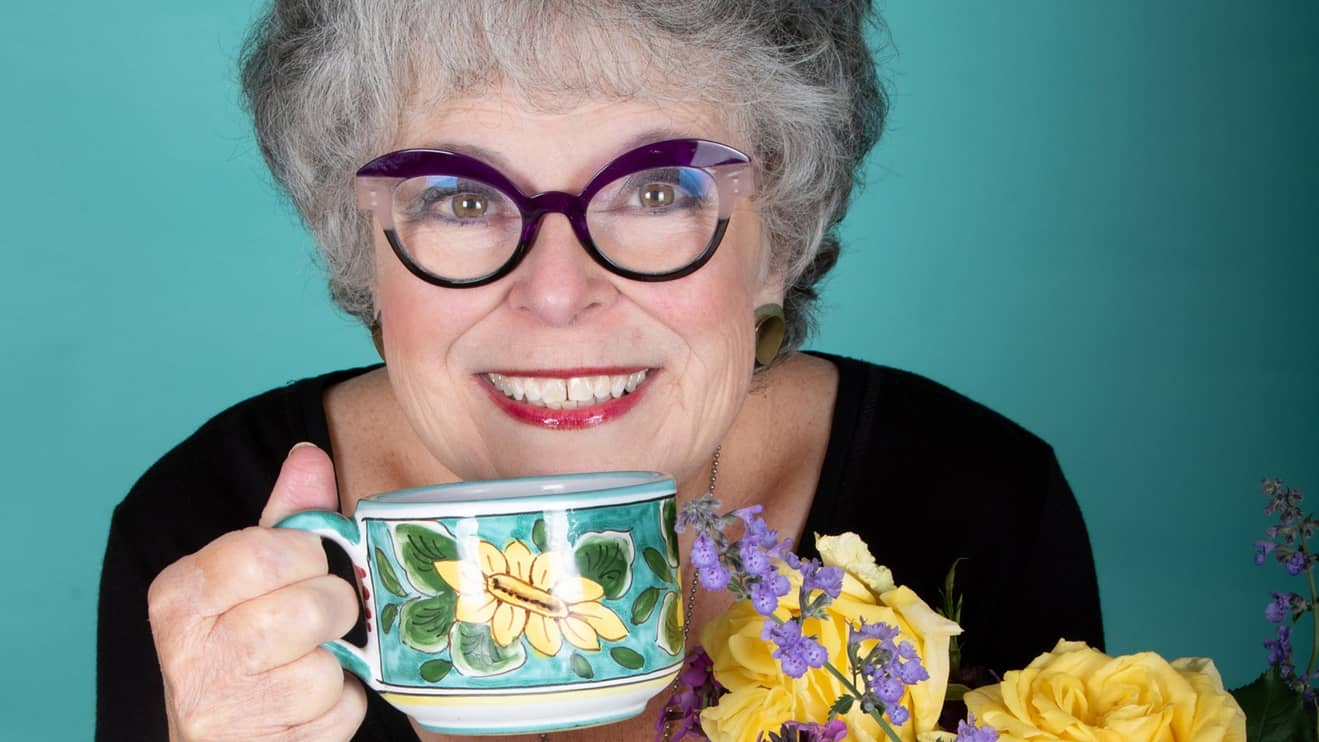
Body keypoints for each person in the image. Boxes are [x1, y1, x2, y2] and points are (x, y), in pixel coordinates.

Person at [97, 1, 1104, 740]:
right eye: (459, 199)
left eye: (657, 190)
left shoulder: (976, 502)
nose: (555, 291)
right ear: (363, 248)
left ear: (782, 234)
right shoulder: (211, 532)